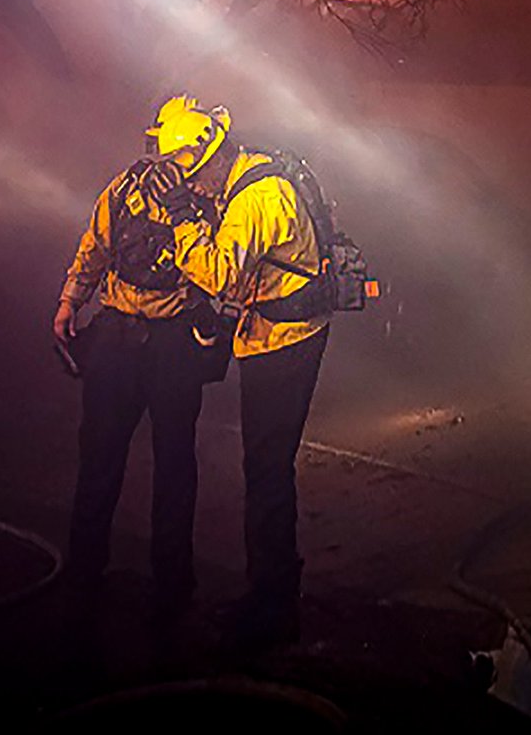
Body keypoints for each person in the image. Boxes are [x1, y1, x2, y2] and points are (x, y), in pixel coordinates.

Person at [141, 95, 331, 649]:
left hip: (283, 341)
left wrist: (182, 223)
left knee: (267, 471)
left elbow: (220, 275)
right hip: (281, 330)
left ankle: (273, 608)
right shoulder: (257, 175)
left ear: (209, 158)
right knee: (267, 468)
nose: (189, 187)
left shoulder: (254, 199)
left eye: (187, 176)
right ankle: (269, 595)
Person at [52, 102, 230, 623]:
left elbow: (222, 268)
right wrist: (70, 301)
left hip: (174, 342)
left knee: (175, 462)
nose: (182, 162)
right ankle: (84, 573)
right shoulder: (123, 190)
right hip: (116, 337)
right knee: (100, 456)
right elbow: (96, 245)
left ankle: (173, 584)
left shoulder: (207, 201)